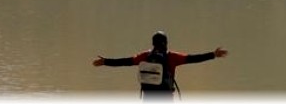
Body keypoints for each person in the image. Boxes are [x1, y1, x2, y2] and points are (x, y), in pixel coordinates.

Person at [93, 31, 228, 98]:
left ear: (153, 43)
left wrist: (105, 61)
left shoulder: (144, 56)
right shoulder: (172, 57)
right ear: (166, 43)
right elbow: (193, 59)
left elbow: (125, 62)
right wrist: (213, 54)